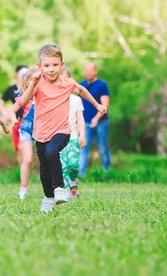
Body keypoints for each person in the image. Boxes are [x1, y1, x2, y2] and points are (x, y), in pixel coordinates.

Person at [19, 45, 106, 213]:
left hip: (62, 131)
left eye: (55, 65)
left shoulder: (67, 83)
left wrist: (97, 105)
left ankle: (60, 188)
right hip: (40, 133)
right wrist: (32, 84)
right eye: (46, 66)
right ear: (40, 66)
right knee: (44, 170)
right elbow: (23, 101)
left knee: (52, 151)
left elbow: (81, 91)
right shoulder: (38, 84)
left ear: (61, 64)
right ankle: (48, 198)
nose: (51, 69)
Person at [10, 67, 40, 200]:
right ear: (27, 82)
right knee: (27, 159)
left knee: (47, 158)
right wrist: (13, 120)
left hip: (42, 129)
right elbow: (12, 110)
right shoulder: (25, 96)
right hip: (26, 129)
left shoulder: (45, 95)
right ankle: (23, 189)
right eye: (32, 79)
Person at [79, 62, 111, 177]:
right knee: (83, 149)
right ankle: (80, 176)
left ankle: (107, 173)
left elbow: (105, 104)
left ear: (95, 71)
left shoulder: (102, 85)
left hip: (101, 122)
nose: (88, 72)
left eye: (90, 70)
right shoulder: (81, 85)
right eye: (86, 70)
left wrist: (96, 119)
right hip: (86, 122)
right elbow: (79, 105)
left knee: (103, 148)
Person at [60, 67, 87, 198]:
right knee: (62, 166)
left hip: (73, 137)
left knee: (73, 164)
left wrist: (82, 135)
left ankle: (72, 180)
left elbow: (80, 119)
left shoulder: (75, 99)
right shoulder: (53, 100)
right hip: (58, 138)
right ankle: (65, 191)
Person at [0, 65, 28, 164]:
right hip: (16, 121)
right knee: (18, 148)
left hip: (30, 121)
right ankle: (23, 172)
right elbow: (0, 102)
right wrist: (6, 113)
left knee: (27, 149)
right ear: (17, 75)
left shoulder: (30, 88)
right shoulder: (11, 89)